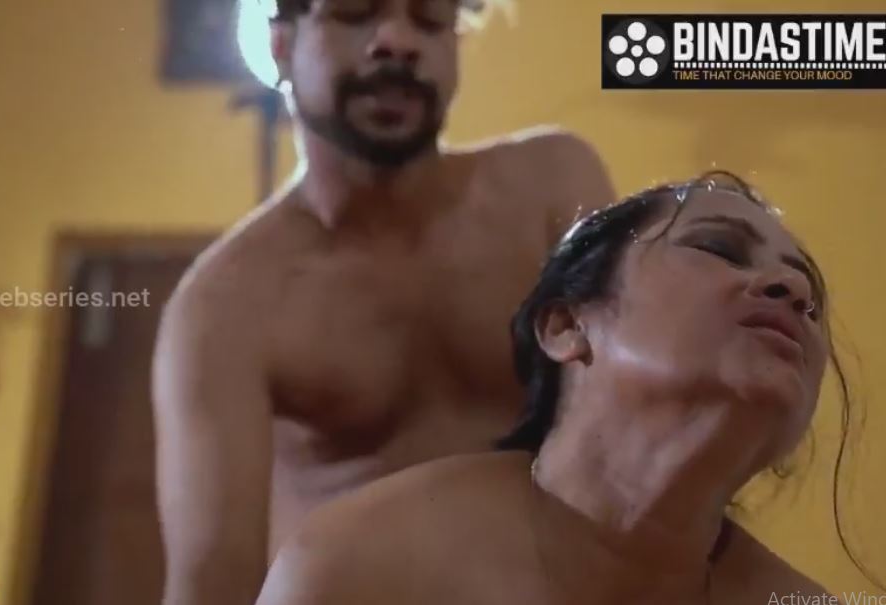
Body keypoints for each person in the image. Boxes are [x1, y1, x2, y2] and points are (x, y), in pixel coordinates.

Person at [151, 0, 616, 603]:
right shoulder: (225, 305)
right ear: (281, 47)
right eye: (353, 13)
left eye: (430, 19)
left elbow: (641, 433)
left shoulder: (552, 188)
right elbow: (212, 584)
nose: (398, 40)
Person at [254, 173, 850, 605]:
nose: (792, 290)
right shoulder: (366, 567)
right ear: (567, 326)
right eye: (717, 248)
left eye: (811, 300)